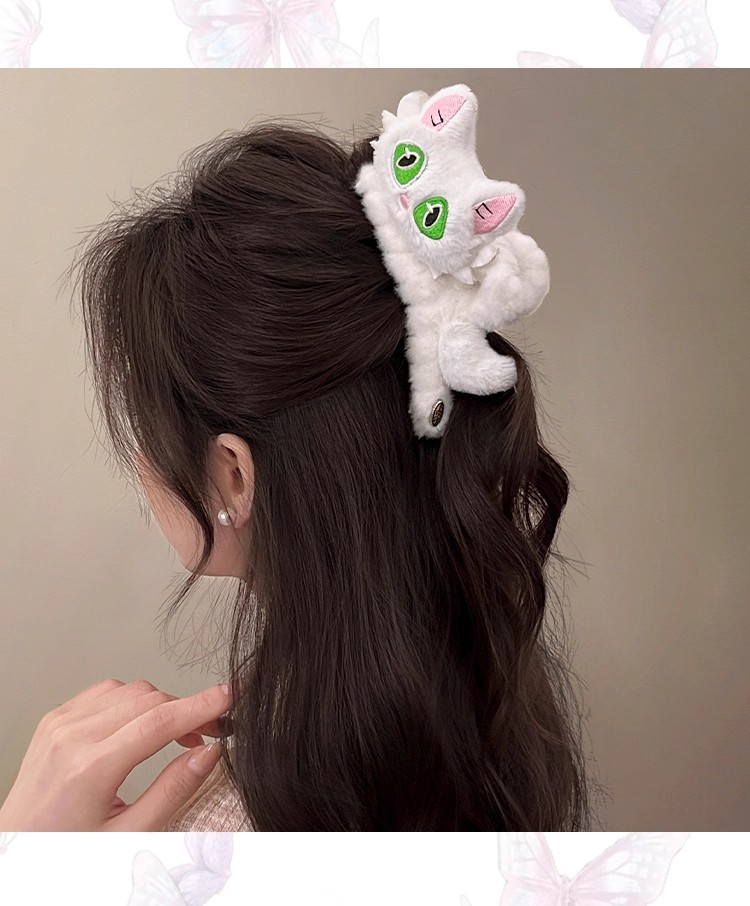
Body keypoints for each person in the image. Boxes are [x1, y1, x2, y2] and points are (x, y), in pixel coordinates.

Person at [0, 115, 596, 832]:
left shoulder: (228, 825)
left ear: (234, 476)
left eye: (145, 428)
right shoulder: (493, 698)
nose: (140, 461)